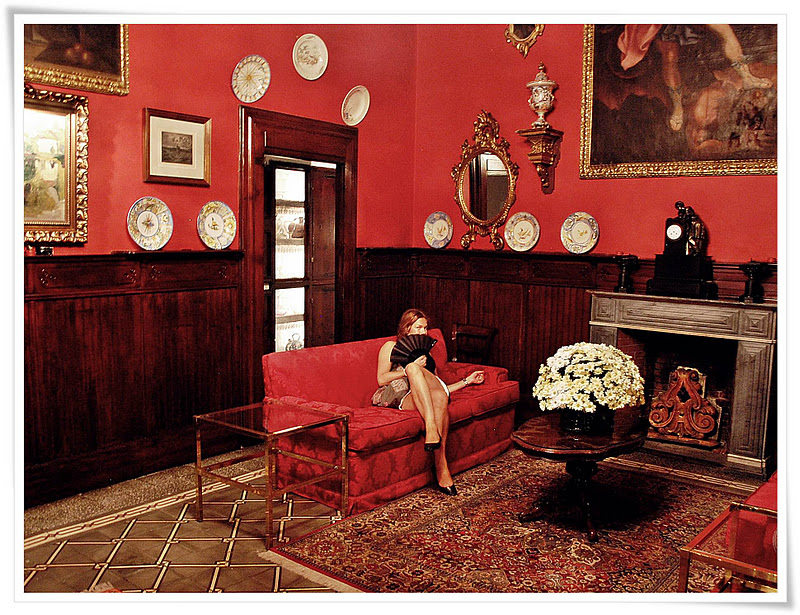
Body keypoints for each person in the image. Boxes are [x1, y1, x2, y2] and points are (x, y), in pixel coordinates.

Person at [372, 308, 485, 496]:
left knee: (439, 396)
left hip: (428, 395)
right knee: (413, 369)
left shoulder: (427, 354)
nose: (423, 332)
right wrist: (409, 369)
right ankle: (439, 457)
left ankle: (440, 460)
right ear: (407, 328)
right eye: (418, 327)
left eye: (425, 328)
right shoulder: (390, 346)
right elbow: (381, 379)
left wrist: (467, 381)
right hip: (402, 395)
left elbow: (441, 388)